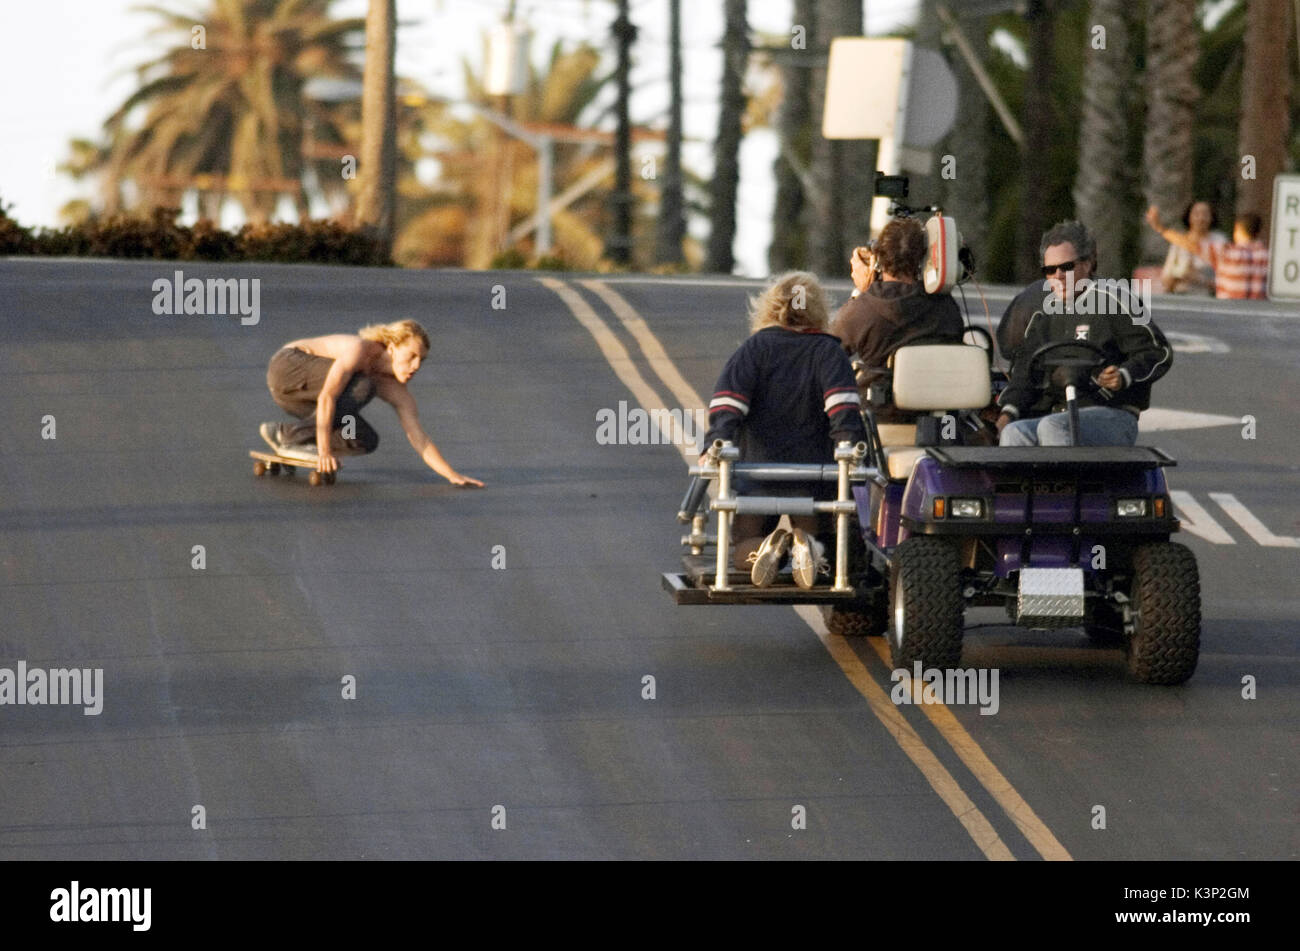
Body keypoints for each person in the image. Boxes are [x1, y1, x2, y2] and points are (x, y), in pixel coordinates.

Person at [701, 272, 866, 589]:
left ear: (770, 306)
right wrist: (852, 449)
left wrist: (716, 444)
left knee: (743, 548)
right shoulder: (829, 352)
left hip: (758, 475)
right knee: (823, 555)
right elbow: (843, 410)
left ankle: (772, 548)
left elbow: (727, 407)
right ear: (819, 310)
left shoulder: (753, 349)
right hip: (815, 479)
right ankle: (805, 545)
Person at [996, 221, 1172, 447]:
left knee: (1052, 427)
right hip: (1059, 414)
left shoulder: (1114, 301)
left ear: (1087, 264)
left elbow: (1158, 352)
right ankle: (1025, 483)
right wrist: (1006, 416)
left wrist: (1122, 375)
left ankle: (1066, 483)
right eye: (1050, 270)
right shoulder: (1044, 315)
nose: (1058, 276)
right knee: (1014, 432)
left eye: (1066, 267)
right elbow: (1024, 374)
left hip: (1112, 415)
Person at [260, 319, 484, 486]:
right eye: (411, 356)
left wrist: (451, 475)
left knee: (363, 439)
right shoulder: (360, 351)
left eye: (421, 360)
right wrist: (325, 452)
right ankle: (293, 435)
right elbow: (328, 396)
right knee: (363, 386)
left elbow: (419, 437)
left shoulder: (397, 390)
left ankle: (286, 433)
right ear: (393, 348)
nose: (416, 366)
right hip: (286, 369)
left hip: (301, 400)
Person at [830, 217, 966, 424]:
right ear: (924, 259)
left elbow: (827, 352)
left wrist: (863, 292)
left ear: (878, 259)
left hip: (881, 421)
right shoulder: (946, 307)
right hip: (940, 423)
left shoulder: (862, 310)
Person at [1147, 206, 1269, 300]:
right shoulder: (1268, 256)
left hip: (1229, 312)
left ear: (1238, 229)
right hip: (1257, 316)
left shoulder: (1226, 252)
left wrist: (1161, 228)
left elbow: (1189, 245)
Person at [1147, 200, 1226, 295]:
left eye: (1205, 214)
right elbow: (1166, 279)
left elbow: (1226, 281)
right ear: (1189, 217)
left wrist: (1198, 279)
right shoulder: (1179, 243)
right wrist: (1176, 278)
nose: (1201, 218)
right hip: (1182, 296)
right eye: (1196, 214)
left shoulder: (1219, 241)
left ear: (1212, 217)